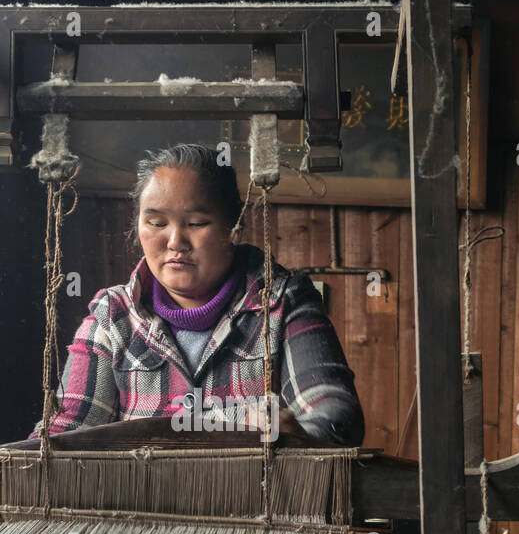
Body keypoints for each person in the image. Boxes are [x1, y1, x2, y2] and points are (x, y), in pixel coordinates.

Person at [36, 143, 364, 446]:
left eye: (196, 223)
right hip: (142, 507)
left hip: (261, 501)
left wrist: (297, 435)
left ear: (232, 227)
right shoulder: (114, 316)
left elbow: (335, 419)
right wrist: (234, 426)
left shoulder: (280, 302)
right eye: (156, 222)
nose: (175, 241)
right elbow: (66, 433)